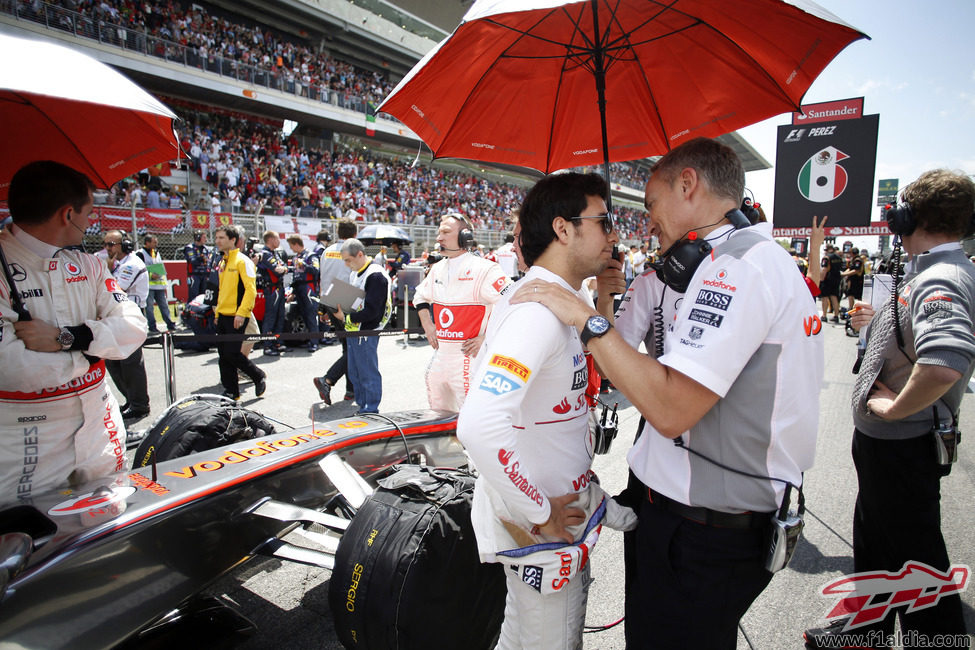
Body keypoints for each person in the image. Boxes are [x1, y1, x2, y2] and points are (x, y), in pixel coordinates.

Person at [513, 137, 824, 648]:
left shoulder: (736, 268)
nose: (648, 221)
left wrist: (585, 318)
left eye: (652, 204)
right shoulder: (726, 262)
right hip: (686, 512)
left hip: (702, 527)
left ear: (688, 185)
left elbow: (670, 407)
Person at [457, 172, 634, 649]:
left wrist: (602, 300)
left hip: (562, 515)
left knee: (522, 636)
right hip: (545, 535)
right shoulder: (537, 311)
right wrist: (537, 512)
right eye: (604, 221)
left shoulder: (567, 297)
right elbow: (478, 425)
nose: (614, 234)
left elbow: (602, 368)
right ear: (563, 228)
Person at [805, 170, 975, 648]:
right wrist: (880, 323)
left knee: (917, 563)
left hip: (905, 442)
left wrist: (896, 407)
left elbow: (944, 363)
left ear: (907, 217)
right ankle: (867, 633)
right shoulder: (935, 270)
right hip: (891, 446)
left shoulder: (940, 277)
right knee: (878, 544)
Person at [0, 161, 146, 502]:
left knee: (110, 526)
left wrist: (63, 338)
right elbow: (9, 366)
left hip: (98, 425)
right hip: (22, 438)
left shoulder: (89, 264)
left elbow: (133, 326)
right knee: (29, 544)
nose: (90, 222)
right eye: (89, 212)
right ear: (68, 214)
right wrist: (91, 356)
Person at [413, 213, 509, 411]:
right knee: (438, 420)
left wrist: (487, 337)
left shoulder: (486, 269)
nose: (439, 238)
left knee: (472, 422)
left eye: (446, 232)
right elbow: (419, 297)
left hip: (470, 362)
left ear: (465, 237)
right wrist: (428, 326)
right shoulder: (437, 268)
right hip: (440, 360)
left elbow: (512, 304)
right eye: (439, 232)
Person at [332, 238, 391, 414]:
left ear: (360, 254)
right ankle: (362, 405)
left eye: (348, 260)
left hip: (367, 330)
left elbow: (374, 311)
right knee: (355, 371)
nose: (346, 264)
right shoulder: (355, 273)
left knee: (367, 372)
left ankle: (371, 409)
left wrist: (347, 317)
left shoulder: (376, 275)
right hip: (354, 330)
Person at [213, 224, 266, 401]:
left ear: (233, 240)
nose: (217, 241)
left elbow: (251, 290)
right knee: (223, 355)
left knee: (232, 354)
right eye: (217, 237)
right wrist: (217, 314)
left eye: (222, 238)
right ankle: (231, 392)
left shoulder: (244, 261)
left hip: (237, 315)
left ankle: (258, 375)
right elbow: (222, 290)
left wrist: (242, 313)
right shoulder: (222, 261)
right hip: (223, 315)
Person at [102, 230, 151, 422]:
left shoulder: (132, 264)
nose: (108, 248)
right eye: (105, 244)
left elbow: (114, 288)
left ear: (125, 245)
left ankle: (139, 405)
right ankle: (131, 400)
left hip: (130, 315)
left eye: (111, 244)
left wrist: (105, 270)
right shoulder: (117, 264)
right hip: (114, 316)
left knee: (130, 363)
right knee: (113, 362)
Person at [313, 219, 358, 404]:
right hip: (347, 298)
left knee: (348, 347)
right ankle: (328, 379)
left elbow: (323, 278)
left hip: (330, 298)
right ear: (355, 234)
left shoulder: (327, 250)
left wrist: (323, 306)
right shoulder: (354, 249)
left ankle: (351, 390)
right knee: (355, 348)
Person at [254, 230, 287, 356]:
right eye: (277, 238)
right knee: (270, 318)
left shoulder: (275, 253)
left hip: (279, 288)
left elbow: (283, 267)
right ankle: (267, 346)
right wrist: (283, 269)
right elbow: (278, 270)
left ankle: (277, 342)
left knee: (280, 317)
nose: (279, 241)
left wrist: (283, 269)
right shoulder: (266, 254)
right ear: (271, 240)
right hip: (272, 289)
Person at [286, 233, 321, 352]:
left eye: (291, 245)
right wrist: (293, 292)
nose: (291, 248)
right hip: (299, 289)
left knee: (311, 316)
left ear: (296, 244)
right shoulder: (296, 257)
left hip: (308, 289)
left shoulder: (311, 256)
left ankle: (315, 342)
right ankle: (309, 340)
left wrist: (304, 265)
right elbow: (295, 277)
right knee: (304, 315)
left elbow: (316, 270)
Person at [138, 234, 177, 332]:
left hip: (159, 284)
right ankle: (152, 326)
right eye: (154, 242)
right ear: (147, 243)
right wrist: (150, 275)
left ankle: (170, 324)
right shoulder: (140, 254)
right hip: (148, 285)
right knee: (149, 307)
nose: (156, 244)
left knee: (164, 305)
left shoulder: (156, 252)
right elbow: (139, 268)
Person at [183, 229, 213, 302]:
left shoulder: (206, 249)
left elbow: (209, 261)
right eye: (204, 237)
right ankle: (190, 311)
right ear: (198, 238)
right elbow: (193, 261)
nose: (206, 239)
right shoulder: (190, 248)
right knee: (193, 295)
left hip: (205, 275)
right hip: (194, 275)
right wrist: (201, 258)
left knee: (204, 296)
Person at [841, 246, 865, 311]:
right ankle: (851, 309)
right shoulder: (854, 259)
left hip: (857, 281)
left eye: (850, 252)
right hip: (852, 282)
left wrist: (844, 274)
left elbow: (856, 270)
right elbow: (850, 268)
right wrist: (843, 273)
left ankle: (858, 310)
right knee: (850, 295)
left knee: (857, 296)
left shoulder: (857, 260)